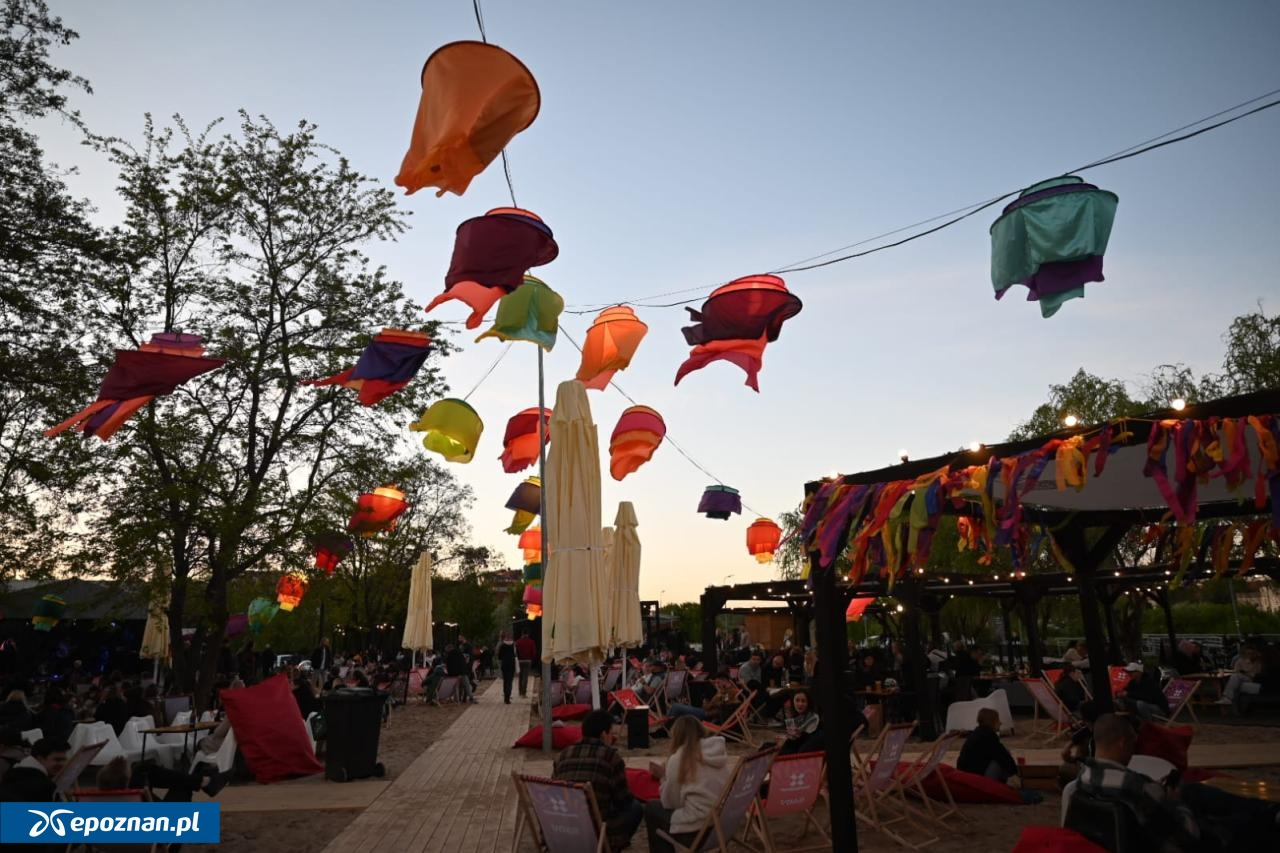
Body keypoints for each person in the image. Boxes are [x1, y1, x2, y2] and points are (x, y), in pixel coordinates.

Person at [1074, 714, 1202, 851]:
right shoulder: (1137, 786)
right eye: (1133, 743)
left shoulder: (1082, 778)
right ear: (1122, 742)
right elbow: (1190, 834)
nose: (1133, 750)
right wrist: (1175, 802)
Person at [552, 710, 643, 851]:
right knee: (635, 808)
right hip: (595, 830)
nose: (612, 738)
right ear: (603, 735)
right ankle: (610, 847)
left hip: (563, 827)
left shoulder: (563, 755)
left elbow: (555, 790)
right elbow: (623, 800)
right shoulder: (611, 757)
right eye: (611, 733)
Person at [644, 716, 733, 853]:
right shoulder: (717, 753)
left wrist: (664, 778)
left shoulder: (679, 758)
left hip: (696, 830)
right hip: (721, 827)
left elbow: (671, 803)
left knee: (651, 808)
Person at [956, 708, 1021, 786]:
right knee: (999, 760)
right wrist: (1015, 773)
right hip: (975, 780)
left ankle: (1002, 783)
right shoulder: (988, 736)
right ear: (992, 722)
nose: (1000, 723)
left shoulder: (978, 732)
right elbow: (1003, 756)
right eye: (997, 720)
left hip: (966, 776)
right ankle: (996, 786)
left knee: (1002, 756)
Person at [0, 736, 69, 802]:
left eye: (64, 760)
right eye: (57, 760)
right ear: (40, 758)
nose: (62, 764)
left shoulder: (11, 773)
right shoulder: (44, 786)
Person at [777, 688, 821, 755]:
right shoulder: (796, 717)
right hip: (796, 746)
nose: (800, 704)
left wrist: (785, 741)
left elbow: (803, 740)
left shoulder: (813, 718)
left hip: (803, 752)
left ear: (808, 703)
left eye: (803, 701)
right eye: (797, 700)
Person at [515, 632, 536, 698]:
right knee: (525, 677)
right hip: (528, 661)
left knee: (520, 677)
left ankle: (520, 692)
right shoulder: (531, 642)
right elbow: (534, 652)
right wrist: (531, 658)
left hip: (520, 661)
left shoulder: (518, 642)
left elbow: (515, 652)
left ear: (522, 634)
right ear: (528, 634)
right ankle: (523, 693)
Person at [497, 632, 517, 704]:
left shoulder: (502, 645)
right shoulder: (513, 645)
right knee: (510, 680)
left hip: (504, 664)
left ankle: (506, 697)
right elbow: (515, 654)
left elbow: (499, 656)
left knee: (505, 681)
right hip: (511, 664)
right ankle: (508, 695)